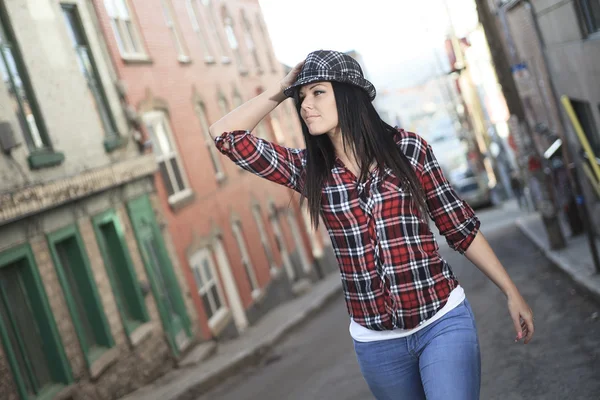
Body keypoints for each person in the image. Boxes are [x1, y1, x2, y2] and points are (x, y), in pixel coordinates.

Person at [209, 50, 534, 400]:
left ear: (349, 95)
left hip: (441, 320)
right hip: (378, 346)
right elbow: (225, 135)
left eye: (318, 92)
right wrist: (282, 89)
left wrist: (510, 291)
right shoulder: (310, 171)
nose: (305, 105)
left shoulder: (408, 150)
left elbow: (459, 228)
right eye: (301, 98)